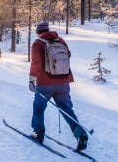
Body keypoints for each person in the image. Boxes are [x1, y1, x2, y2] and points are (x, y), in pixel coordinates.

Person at [28, 22, 88, 151]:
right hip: (63, 82)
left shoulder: (38, 43)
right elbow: (68, 55)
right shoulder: (60, 40)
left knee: (38, 108)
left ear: (38, 32)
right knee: (67, 110)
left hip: (45, 84)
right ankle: (81, 134)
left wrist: (32, 80)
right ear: (48, 30)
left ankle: (39, 135)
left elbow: (36, 62)